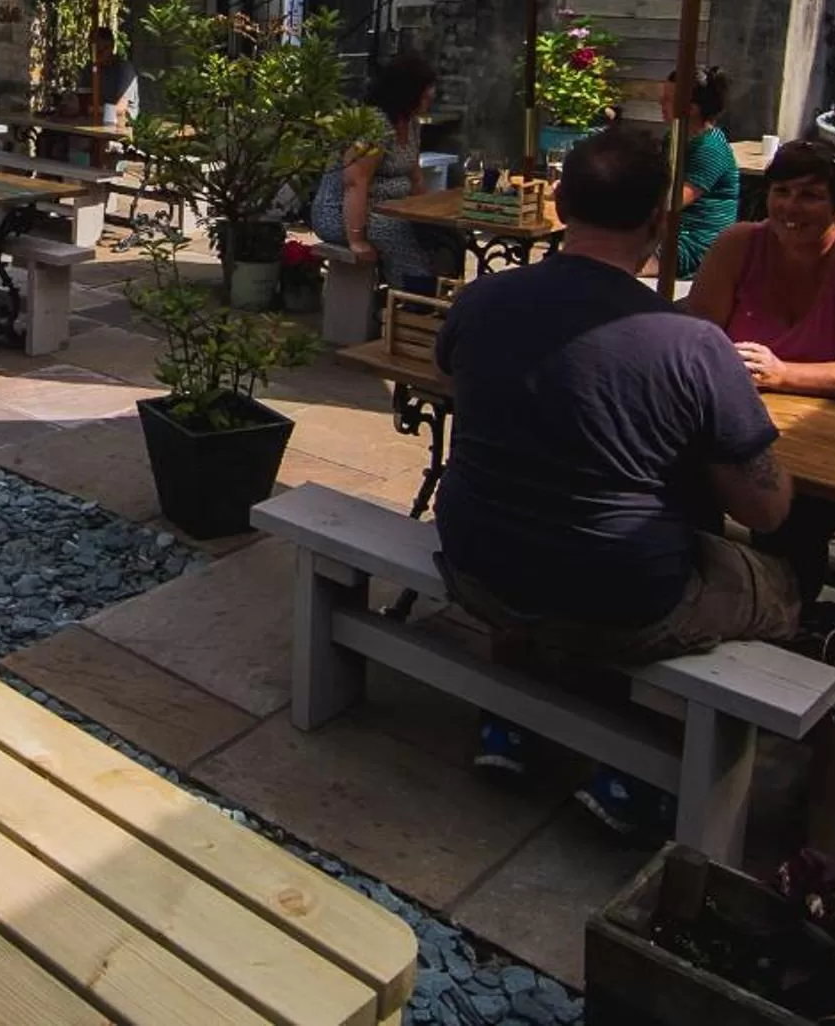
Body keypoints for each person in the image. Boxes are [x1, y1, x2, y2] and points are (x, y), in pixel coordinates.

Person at [432, 122, 800, 837]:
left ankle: (508, 723)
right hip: (618, 599)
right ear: (661, 222)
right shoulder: (691, 344)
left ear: (561, 205)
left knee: (558, 532)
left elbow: (451, 377)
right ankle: (645, 763)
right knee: (779, 584)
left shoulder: (481, 301)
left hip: (474, 561)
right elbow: (766, 509)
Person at [685, 138, 835, 405]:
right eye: (781, 191)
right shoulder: (737, 246)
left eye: (810, 196)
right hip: (767, 409)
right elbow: (695, 340)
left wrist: (783, 374)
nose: (790, 206)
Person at [311, 52, 445, 293]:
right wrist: (357, 239)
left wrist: (429, 214)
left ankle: (440, 290)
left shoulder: (412, 124)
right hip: (342, 212)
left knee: (442, 235)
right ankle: (411, 299)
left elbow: (415, 177)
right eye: (427, 88)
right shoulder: (377, 125)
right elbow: (355, 182)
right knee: (399, 233)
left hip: (390, 208)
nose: (431, 94)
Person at [661, 66, 740, 278]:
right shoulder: (673, 138)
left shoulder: (710, 148)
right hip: (669, 233)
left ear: (693, 108)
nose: (661, 104)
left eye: (669, 99)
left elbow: (671, 200)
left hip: (697, 243)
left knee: (617, 257)